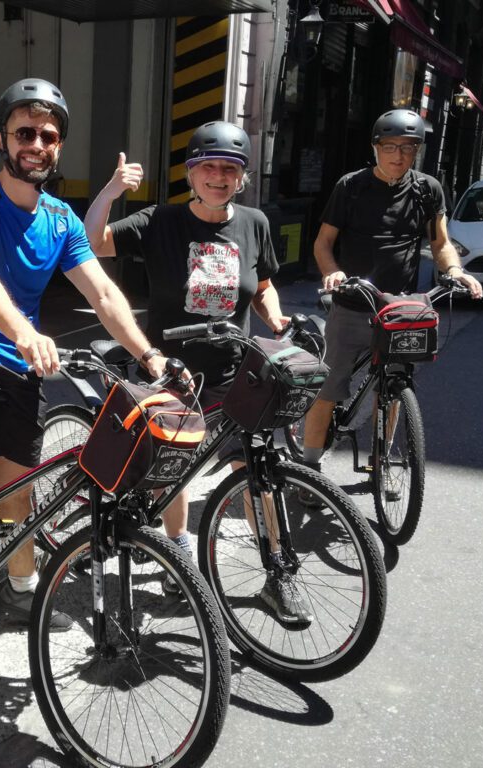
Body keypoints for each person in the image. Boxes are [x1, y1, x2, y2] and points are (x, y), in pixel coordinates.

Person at [0, 78, 171, 664]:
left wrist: (149, 356)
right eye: (25, 132)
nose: (37, 143)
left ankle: (21, 582)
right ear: (1, 138)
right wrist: (25, 332)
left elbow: (101, 292)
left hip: (21, 365)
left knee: (17, 488)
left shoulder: (61, 219)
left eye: (49, 136)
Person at [84, 120, 313, 626]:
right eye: (208, 166)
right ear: (191, 173)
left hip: (236, 372)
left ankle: (278, 571)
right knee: (177, 468)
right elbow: (94, 241)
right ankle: (178, 550)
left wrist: (274, 317)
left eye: (229, 169)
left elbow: (266, 282)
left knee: (254, 469)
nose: (218, 176)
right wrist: (112, 189)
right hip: (174, 371)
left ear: (242, 178)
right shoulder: (160, 221)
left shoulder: (254, 223)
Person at [301, 109, 483, 481]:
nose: (398, 155)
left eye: (408, 147)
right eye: (390, 146)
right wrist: (332, 272)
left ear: (417, 151)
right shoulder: (350, 187)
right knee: (330, 386)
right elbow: (323, 244)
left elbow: (441, 242)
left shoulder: (427, 189)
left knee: (395, 383)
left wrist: (454, 270)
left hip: (401, 308)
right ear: (375, 147)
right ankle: (310, 466)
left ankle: (380, 462)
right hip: (353, 303)